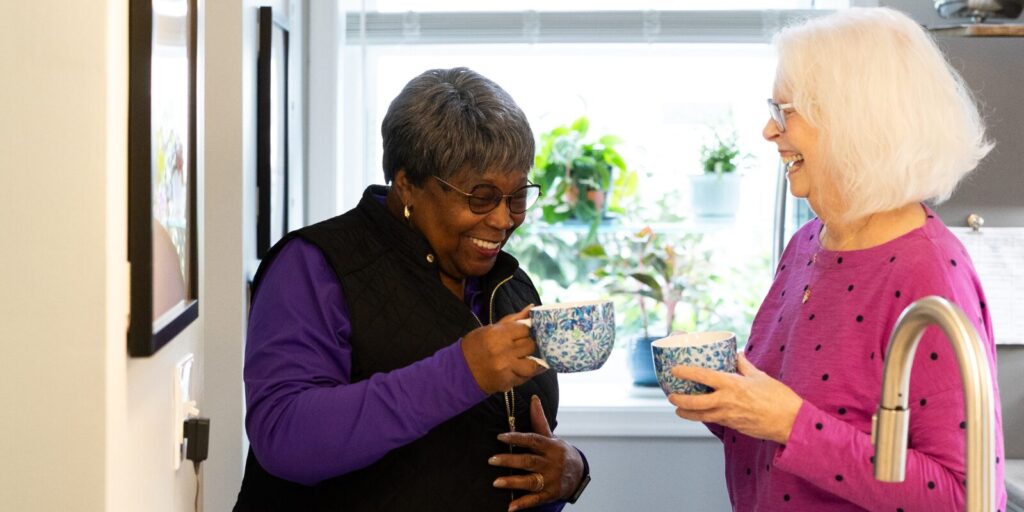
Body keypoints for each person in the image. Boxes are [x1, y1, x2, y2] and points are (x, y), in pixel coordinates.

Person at [667, 8, 1007, 510]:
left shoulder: (929, 271)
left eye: (786, 110)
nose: (768, 130)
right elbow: (784, 435)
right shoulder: (808, 244)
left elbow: (964, 497)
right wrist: (731, 401)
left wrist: (787, 421)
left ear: (854, 122)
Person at [233, 67, 589, 511]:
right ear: (407, 185)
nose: (503, 220)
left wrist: (568, 472)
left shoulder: (510, 286)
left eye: (517, 196)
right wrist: (462, 372)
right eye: (480, 196)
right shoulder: (315, 266)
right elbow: (283, 438)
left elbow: (509, 458)